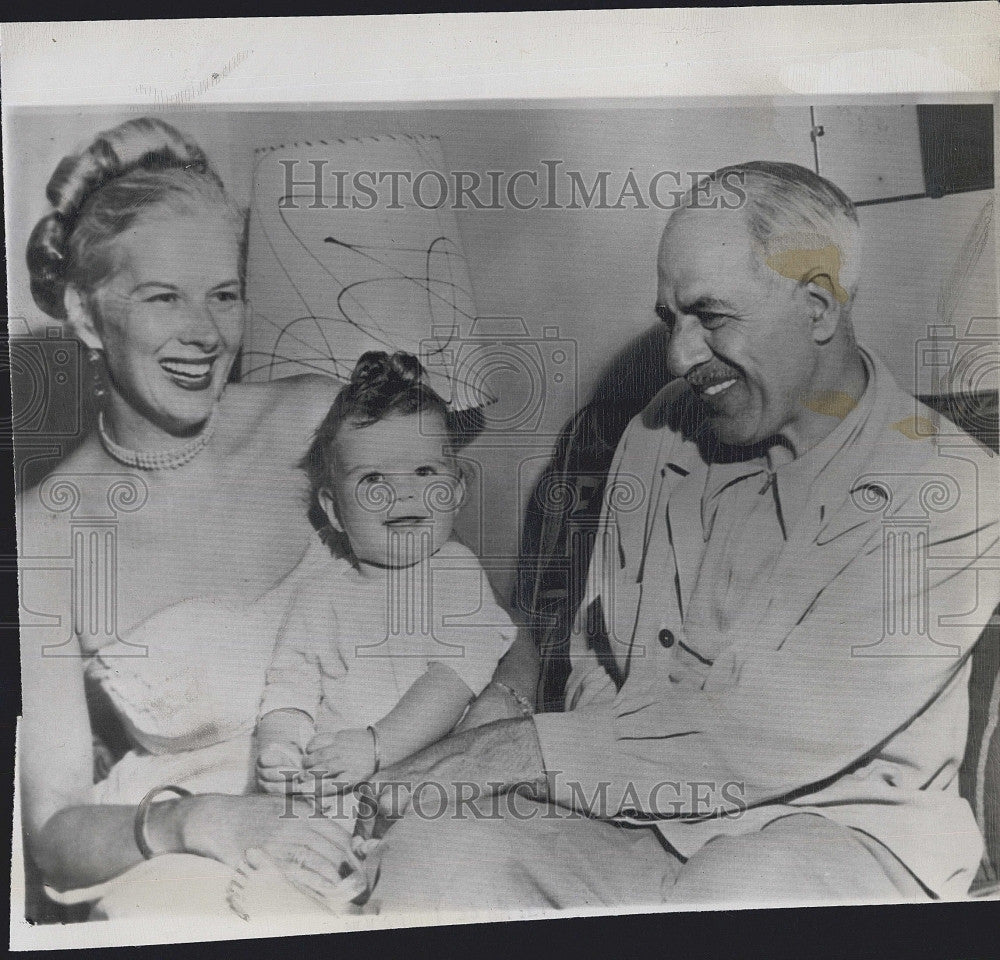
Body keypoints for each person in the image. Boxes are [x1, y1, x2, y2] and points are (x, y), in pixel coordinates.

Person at [291, 161, 998, 914]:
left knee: (730, 893)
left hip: (836, 836)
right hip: (638, 818)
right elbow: (598, 657)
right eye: (671, 321)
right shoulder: (659, 432)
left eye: (711, 317)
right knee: (437, 852)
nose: (680, 356)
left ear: (818, 306)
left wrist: (501, 752)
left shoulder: (953, 491)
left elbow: (763, 734)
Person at [16, 117, 537, 920]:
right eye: (163, 298)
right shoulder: (43, 533)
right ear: (86, 315)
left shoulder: (314, 420)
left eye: (224, 295)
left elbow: (480, 620)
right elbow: (53, 829)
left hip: (412, 796)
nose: (205, 334)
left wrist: (489, 724)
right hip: (205, 850)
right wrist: (201, 819)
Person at [254, 350, 514, 809]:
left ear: (455, 492)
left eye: (424, 471)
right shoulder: (320, 592)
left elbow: (455, 679)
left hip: (440, 780)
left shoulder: (454, 573)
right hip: (339, 779)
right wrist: (281, 745)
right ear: (334, 509)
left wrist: (377, 745)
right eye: (374, 478)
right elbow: (290, 684)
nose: (403, 491)